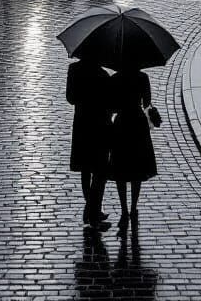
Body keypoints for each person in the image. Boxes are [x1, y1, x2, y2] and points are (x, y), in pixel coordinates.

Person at [107, 66, 157, 227]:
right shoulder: (143, 77)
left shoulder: (114, 78)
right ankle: (134, 206)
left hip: (121, 123)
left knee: (120, 167)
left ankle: (124, 209)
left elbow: (112, 106)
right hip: (138, 122)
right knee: (137, 167)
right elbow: (147, 102)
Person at [67, 57, 113, 231]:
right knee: (100, 171)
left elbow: (70, 98)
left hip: (81, 124)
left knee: (86, 169)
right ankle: (92, 212)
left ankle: (91, 209)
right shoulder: (103, 75)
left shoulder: (74, 70)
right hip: (101, 125)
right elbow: (110, 104)